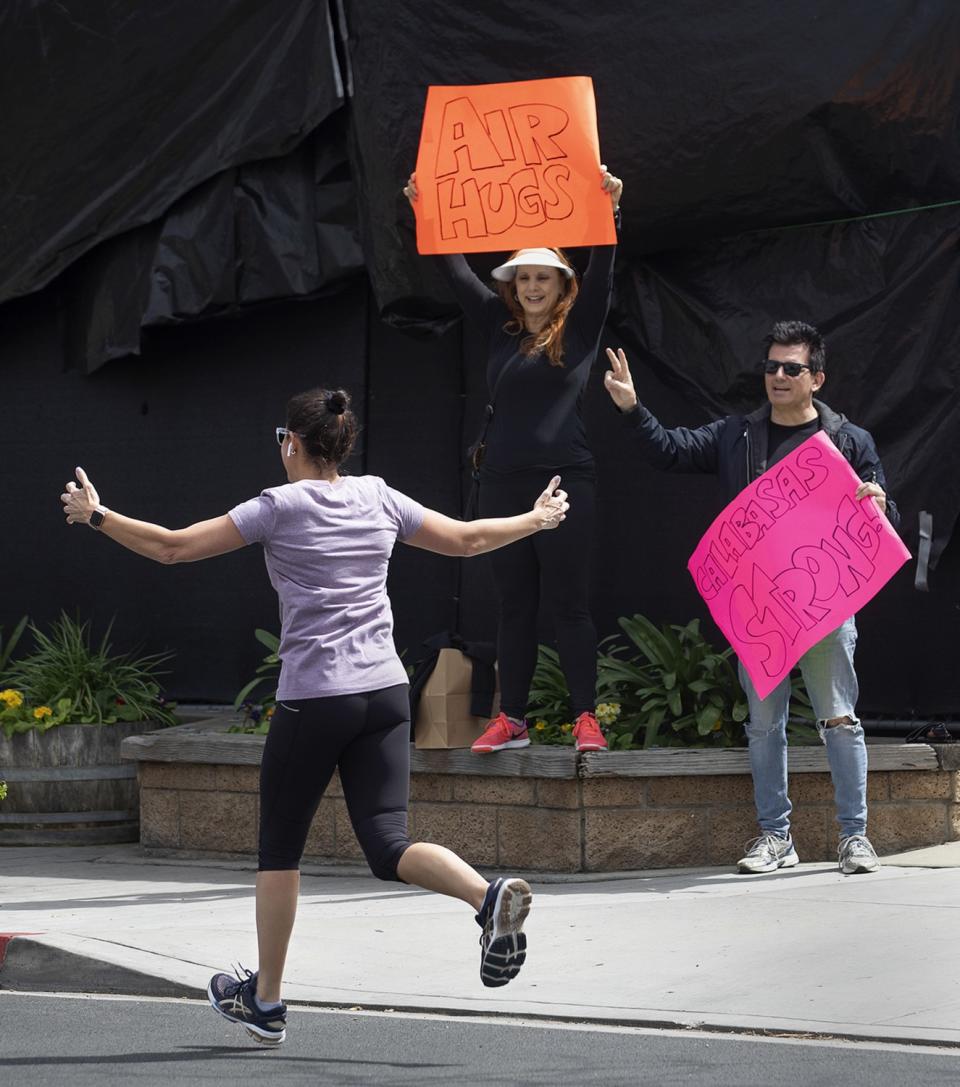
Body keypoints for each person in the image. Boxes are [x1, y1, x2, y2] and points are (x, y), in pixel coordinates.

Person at [60, 386, 570, 1045]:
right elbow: (468, 541)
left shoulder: (278, 506)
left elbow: (173, 549)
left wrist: (98, 514)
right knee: (388, 844)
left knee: (280, 850)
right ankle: (486, 894)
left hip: (315, 697)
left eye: (281, 437)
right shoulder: (378, 495)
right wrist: (536, 518)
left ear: (293, 444)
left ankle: (265, 1000)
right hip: (385, 693)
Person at [603, 321, 899, 876]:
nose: (778, 377)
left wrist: (879, 504)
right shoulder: (737, 435)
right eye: (770, 367)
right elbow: (669, 450)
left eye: (792, 368)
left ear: (817, 377)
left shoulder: (848, 441)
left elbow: (884, 518)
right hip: (760, 611)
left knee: (839, 719)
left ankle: (855, 838)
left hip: (825, 609)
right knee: (765, 726)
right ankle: (775, 838)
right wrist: (632, 408)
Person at [403, 166, 623, 755]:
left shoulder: (579, 329)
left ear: (560, 283)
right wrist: (427, 209)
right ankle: (515, 721)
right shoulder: (498, 329)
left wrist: (609, 210)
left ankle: (585, 719)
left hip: (564, 484)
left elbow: (603, 266)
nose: (531, 286)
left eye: (542, 277)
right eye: (523, 277)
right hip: (500, 484)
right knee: (514, 605)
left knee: (569, 605)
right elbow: (453, 271)